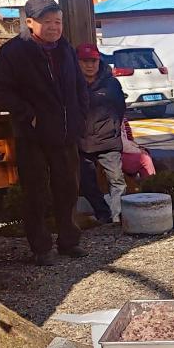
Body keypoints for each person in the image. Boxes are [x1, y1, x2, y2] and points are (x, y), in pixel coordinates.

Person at [0, 0, 88, 265]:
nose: (54, 27)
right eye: (48, 22)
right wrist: (28, 115)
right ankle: (40, 247)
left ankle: (69, 241)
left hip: (66, 131)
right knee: (35, 192)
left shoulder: (66, 49)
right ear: (30, 22)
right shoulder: (13, 52)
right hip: (32, 136)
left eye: (58, 22)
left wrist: (81, 115)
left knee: (68, 189)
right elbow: (1, 90)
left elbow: (80, 85)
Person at [76, 43, 127, 224]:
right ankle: (103, 213)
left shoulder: (111, 83)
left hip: (108, 140)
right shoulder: (71, 83)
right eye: (84, 61)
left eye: (93, 61)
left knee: (117, 180)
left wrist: (113, 127)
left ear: (99, 61)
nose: (90, 65)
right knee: (87, 184)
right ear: (78, 62)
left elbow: (120, 108)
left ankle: (118, 217)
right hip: (81, 141)